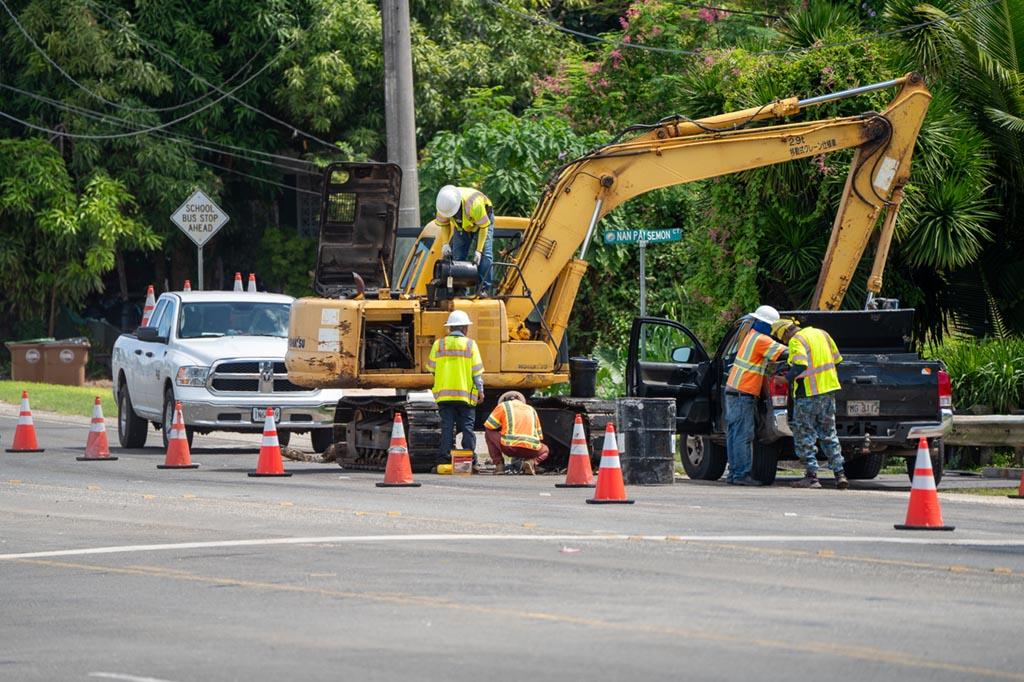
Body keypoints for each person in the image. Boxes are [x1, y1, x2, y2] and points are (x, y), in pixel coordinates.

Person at [771, 318, 847, 490]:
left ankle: (811, 476)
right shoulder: (822, 333)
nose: (784, 342)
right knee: (829, 433)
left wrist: (785, 379)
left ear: (785, 332)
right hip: (828, 391)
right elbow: (837, 360)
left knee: (804, 434)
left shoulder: (796, 340)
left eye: (782, 338)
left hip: (808, 394)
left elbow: (800, 365)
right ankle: (840, 474)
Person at [724, 305, 787, 486]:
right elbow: (786, 352)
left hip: (734, 391)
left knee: (734, 434)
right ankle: (741, 475)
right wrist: (803, 344)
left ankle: (734, 474)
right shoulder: (762, 340)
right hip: (743, 392)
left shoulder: (751, 335)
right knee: (743, 435)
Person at [427, 309, 485, 470]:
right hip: (466, 396)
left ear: (450, 327)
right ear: (465, 328)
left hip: (444, 396)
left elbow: (432, 369)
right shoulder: (470, 344)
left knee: (447, 427)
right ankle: (468, 459)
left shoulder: (438, 344)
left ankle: (443, 459)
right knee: (467, 427)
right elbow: (476, 373)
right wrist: (480, 391)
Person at [435, 185, 495, 295]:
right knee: (458, 257)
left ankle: (483, 289)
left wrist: (478, 251)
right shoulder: (443, 206)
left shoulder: (474, 205)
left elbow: (483, 228)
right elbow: (444, 224)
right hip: (462, 226)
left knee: (485, 255)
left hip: (483, 220)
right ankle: (459, 291)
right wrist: (445, 243)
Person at [484, 391, 549, 475]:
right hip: (530, 450)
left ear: (505, 400)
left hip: (509, 447)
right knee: (545, 450)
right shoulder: (531, 409)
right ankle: (531, 462)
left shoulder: (503, 406)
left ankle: (499, 465)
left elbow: (489, 425)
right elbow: (539, 436)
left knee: (488, 431)